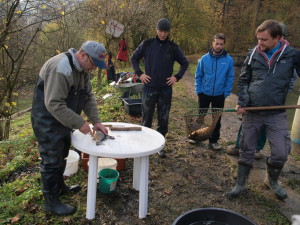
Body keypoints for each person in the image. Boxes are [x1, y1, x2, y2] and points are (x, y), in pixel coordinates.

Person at [31, 41, 109, 215]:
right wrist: (79, 123)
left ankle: (60, 188)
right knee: (51, 160)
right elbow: (54, 104)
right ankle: (51, 203)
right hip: (47, 120)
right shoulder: (61, 68)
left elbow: (88, 96)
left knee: (62, 153)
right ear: (83, 55)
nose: (94, 69)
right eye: (93, 64)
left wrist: (96, 121)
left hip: (64, 119)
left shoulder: (82, 70)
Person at [227, 20, 300, 200]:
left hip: (276, 112)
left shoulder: (292, 55)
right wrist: (242, 102)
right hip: (253, 111)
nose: (259, 42)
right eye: (258, 38)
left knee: (282, 151)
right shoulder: (253, 54)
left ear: (278, 38)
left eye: (264, 39)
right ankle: (241, 184)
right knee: (246, 148)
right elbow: (243, 80)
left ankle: (272, 181)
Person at [131, 18, 189, 157]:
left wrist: (177, 77)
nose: (163, 34)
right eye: (161, 31)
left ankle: (160, 145)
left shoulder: (173, 47)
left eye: (165, 32)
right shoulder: (147, 43)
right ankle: (145, 145)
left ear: (168, 32)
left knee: (163, 119)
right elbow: (134, 58)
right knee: (146, 117)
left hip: (165, 89)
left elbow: (184, 62)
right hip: (149, 88)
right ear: (156, 30)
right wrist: (139, 74)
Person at [194, 33, 234, 150]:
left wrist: (226, 92)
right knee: (200, 116)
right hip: (204, 93)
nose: (219, 46)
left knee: (216, 119)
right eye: (217, 43)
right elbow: (198, 75)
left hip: (219, 95)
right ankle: (195, 136)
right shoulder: (204, 59)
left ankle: (213, 141)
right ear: (213, 43)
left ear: (224, 45)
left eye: (221, 44)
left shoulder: (228, 60)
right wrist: (198, 90)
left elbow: (230, 77)